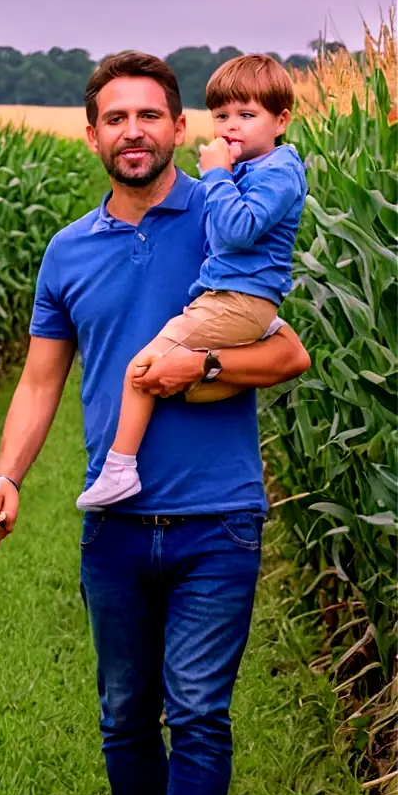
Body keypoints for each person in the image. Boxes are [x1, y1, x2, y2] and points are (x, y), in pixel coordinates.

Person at [0, 52, 310, 795]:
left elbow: (288, 356)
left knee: (197, 709)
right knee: (126, 709)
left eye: (150, 116)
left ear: (178, 127)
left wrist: (195, 365)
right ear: (91, 134)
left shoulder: (225, 214)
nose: (133, 132)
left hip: (218, 516)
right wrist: (5, 477)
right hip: (116, 524)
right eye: (115, 118)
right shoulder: (68, 251)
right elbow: (40, 383)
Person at [77, 54, 308, 510]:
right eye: (221, 116)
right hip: (232, 299)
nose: (230, 127)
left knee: (141, 370)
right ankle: (213, 383)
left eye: (246, 115)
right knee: (177, 378)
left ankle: (119, 467)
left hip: (237, 300)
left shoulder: (277, 171)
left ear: (281, 121)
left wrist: (217, 174)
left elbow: (238, 229)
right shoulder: (254, 170)